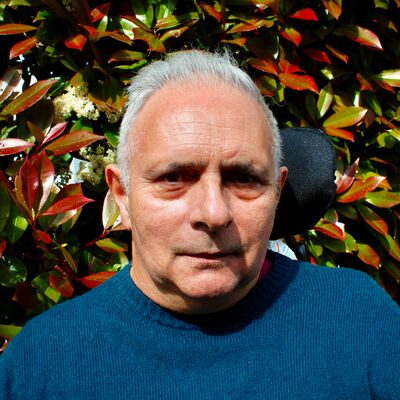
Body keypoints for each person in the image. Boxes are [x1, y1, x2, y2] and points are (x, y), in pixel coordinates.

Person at [1, 50, 399, 399]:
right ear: (121, 196)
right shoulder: (40, 367)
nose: (212, 213)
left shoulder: (362, 324)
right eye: (174, 178)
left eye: (244, 179)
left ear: (277, 192)